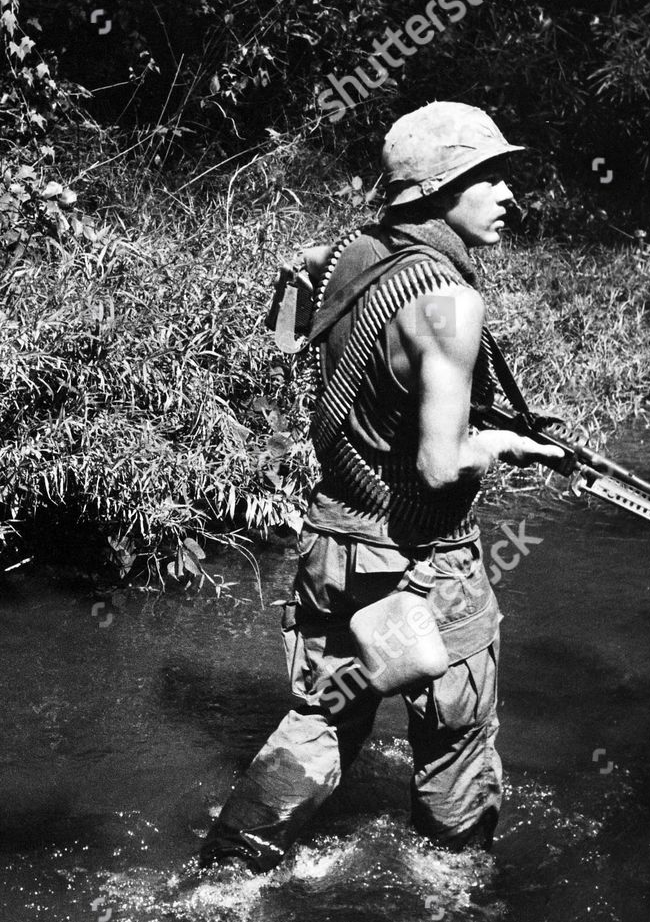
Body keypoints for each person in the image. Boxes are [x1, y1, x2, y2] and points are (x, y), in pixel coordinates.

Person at [200, 101, 563, 871]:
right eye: (487, 176)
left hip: (335, 544)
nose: (509, 195)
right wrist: (505, 442)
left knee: (322, 717)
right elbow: (439, 465)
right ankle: (449, 887)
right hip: (427, 561)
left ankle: (227, 871)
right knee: (457, 749)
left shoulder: (348, 256)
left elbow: (283, 334)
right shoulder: (453, 305)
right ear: (437, 188)